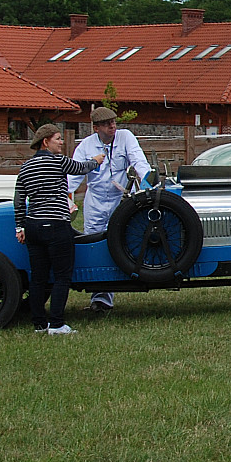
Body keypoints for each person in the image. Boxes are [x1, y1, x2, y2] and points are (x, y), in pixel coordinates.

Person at [15, 124, 104, 334]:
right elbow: (80, 168)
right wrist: (96, 161)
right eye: (57, 139)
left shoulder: (26, 167)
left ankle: (39, 324)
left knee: (38, 277)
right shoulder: (57, 162)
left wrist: (19, 226)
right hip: (56, 225)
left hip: (33, 226)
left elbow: (19, 200)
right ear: (45, 142)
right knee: (62, 276)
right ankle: (56, 323)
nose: (61, 143)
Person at [68, 106, 153, 314]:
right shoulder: (85, 147)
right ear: (96, 128)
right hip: (95, 200)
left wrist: (149, 182)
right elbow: (73, 176)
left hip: (121, 198)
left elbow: (138, 161)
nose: (112, 126)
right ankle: (100, 298)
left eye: (114, 122)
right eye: (107, 124)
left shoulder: (125, 137)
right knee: (94, 242)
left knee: (121, 241)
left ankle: (129, 278)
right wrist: (64, 197)